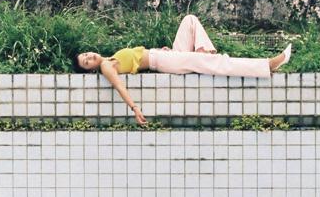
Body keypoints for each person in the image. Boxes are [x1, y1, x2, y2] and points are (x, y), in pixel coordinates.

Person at [75, 14, 292, 126]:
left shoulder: (110, 58)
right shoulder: (106, 66)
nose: (88, 57)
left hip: (165, 56)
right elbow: (119, 86)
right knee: (217, 63)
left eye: (85, 54)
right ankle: (267, 65)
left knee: (190, 21)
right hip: (163, 62)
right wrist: (134, 108)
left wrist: (163, 52)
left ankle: (205, 57)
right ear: (91, 70)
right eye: (85, 62)